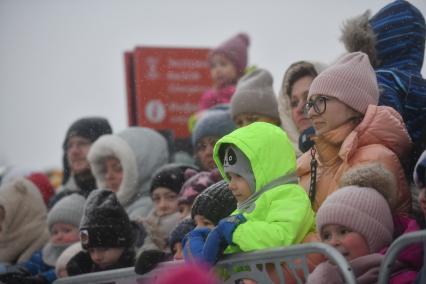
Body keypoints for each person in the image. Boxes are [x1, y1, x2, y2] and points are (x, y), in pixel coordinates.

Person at [183, 122, 315, 264]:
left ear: (261, 172)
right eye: (229, 177)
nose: (231, 185)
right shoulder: (245, 207)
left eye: (239, 176)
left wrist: (235, 232)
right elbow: (229, 249)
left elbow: (281, 237)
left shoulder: (290, 197)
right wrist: (206, 240)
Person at [297, 52, 412, 214]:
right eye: (310, 103)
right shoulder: (310, 158)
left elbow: (349, 232)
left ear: (353, 105)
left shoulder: (376, 160)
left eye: (321, 101)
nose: (311, 113)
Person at [0, 193, 85, 284]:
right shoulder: (46, 252)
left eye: (66, 231)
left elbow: (63, 271)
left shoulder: (83, 253)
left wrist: (43, 279)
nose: (59, 236)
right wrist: (21, 269)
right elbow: (34, 264)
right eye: (55, 232)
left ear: (82, 232)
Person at [87, 127, 169, 219]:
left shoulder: (144, 211)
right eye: (105, 170)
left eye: (118, 168)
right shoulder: (116, 207)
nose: (109, 176)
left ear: (141, 170)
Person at [66, 189, 136, 276]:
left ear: (123, 243)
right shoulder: (88, 269)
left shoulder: (138, 267)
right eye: (91, 251)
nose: (96, 257)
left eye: (103, 249)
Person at [48, 117, 113, 208]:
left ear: (101, 147)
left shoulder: (117, 195)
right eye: (69, 146)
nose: (74, 152)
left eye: (82, 143)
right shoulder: (58, 202)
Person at [137, 163, 197, 254]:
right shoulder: (143, 235)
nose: (162, 205)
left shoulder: (198, 235)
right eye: (156, 199)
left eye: (171, 197)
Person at [278, 60, 326, 154]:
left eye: (309, 98)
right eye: (294, 103)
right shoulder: (279, 163)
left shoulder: (357, 154)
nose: (300, 109)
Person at [0, 178, 49, 264]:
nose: (2, 223)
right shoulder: (5, 245)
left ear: (22, 214)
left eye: (2, 214)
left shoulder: (47, 250)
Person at [198, 33, 250, 111]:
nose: (217, 70)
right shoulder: (209, 95)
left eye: (223, 64)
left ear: (238, 68)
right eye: (213, 66)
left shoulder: (245, 92)